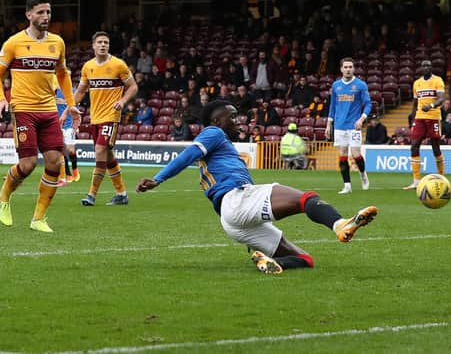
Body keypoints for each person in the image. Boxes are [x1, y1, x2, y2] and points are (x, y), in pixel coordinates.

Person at [135, 101, 377, 274]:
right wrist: (159, 178)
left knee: (304, 259)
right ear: (216, 121)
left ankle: (272, 262)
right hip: (237, 200)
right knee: (306, 199)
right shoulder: (213, 132)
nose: (238, 120)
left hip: (231, 221)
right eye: (232, 116)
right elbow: (188, 154)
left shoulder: (220, 144)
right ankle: (340, 225)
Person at [0, 0, 81, 233]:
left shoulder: (58, 43)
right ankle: (3, 196)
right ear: (29, 15)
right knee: (28, 164)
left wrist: (70, 104)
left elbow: (62, 74)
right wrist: (1, 99)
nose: (45, 16)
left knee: (55, 161)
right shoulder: (13, 43)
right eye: (40, 12)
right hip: (23, 110)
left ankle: (38, 218)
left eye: (48, 12)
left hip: (49, 111)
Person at [74, 31, 138, 207]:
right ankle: (122, 194)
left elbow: (133, 87)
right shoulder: (88, 67)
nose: (103, 45)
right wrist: (68, 105)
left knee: (100, 149)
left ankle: (91, 195)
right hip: (95, 117)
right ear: (93, 45)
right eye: (100, 42)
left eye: (106, 42)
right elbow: (80, 91)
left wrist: (123, 101)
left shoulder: (118, 65)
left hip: (111, 116)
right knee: (108, 156)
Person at [325, 57, 371, 194]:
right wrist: (329, 124)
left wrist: (361, 119)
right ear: (341, 69)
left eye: (350, 67)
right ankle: (347, 185)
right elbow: (333, 106)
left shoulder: (360, 85)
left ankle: (363, 175)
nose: (348, 69)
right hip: (339, 125)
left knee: (356, 154)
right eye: (345, 67)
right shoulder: (336, 85)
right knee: (343, 154)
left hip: (354, 126)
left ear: (354, 68)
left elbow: (368, 104)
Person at [404, 61, 446, 189]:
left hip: (433, 117)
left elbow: (441, 98)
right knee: (414, 146)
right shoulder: (417, 83)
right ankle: (416, 180)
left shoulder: (437, 80)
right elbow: (415, 102)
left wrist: (431, 105)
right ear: (421, 68)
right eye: (424, 66)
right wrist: (412, 118)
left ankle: (441, 177)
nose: (426, 67)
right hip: (420, 118)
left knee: (435, 147)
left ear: (431, 68)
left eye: (428, 65)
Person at [56, 86, 80, 185]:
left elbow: (76, 109)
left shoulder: (73, 91)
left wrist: (77, 124)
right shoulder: (55, 91)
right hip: (59, 124)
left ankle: (75, 169)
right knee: (62, 150)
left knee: (71, 150)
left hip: (69, 125)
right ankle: (68, 173)